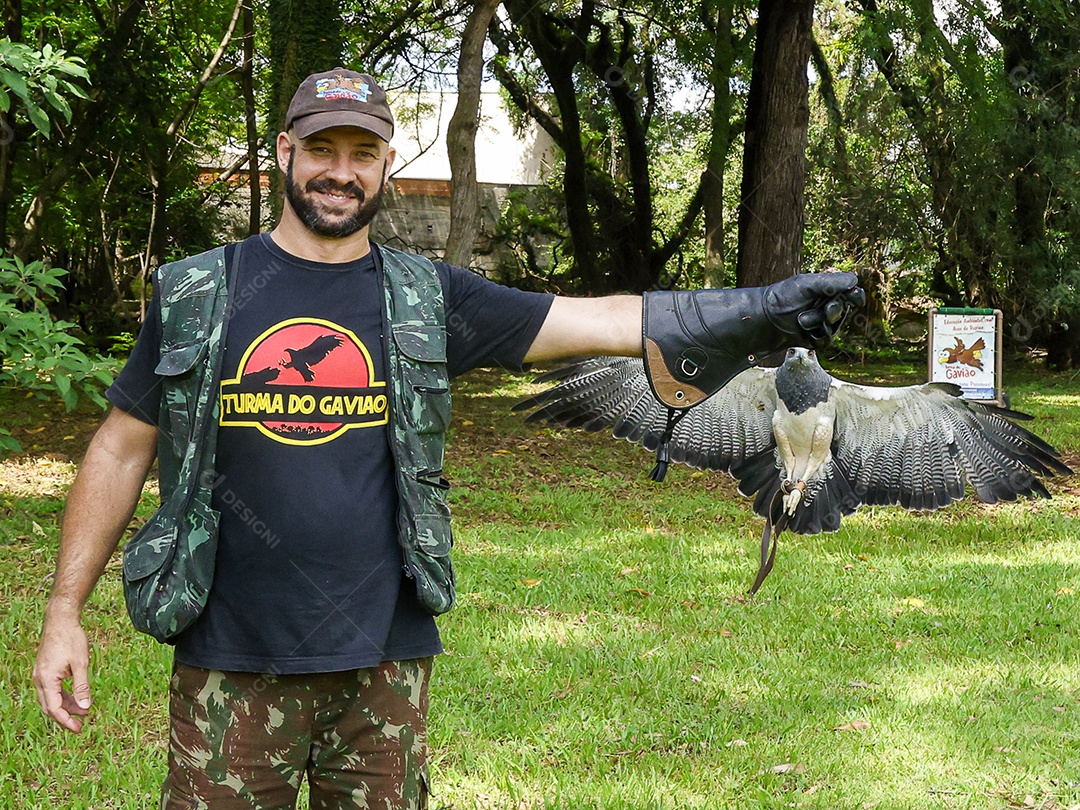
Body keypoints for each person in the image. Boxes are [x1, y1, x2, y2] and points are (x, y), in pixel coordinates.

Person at [32, 68, 862, 809]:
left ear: (387, 164)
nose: (341, 171)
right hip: (226, 656)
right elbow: (119, 447)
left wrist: (760, 305)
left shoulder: (427, 296)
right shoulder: (200, 293)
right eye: (324, 148)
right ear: (285, 151)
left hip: (384, 664)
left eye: (364, 152)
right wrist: (66, 611)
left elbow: (596, 319)